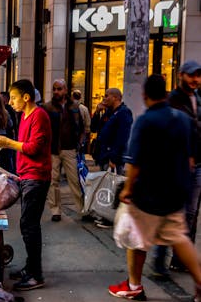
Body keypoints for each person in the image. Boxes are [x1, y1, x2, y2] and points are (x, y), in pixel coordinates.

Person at [108, 74, 201, 301]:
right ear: (166, 94)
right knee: (179, 237)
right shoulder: (182, 118)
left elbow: (134, 162)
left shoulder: (145, 120)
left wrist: (128, 189)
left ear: (145, 95)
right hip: (177, 192)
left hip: (149, 194)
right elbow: (191, 158)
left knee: (135, 237)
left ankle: (133, 285)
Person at [0, 79, 51, 291]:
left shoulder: (39, 116)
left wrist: (6, 142)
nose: (11, 102)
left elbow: (33, 148)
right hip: (26, 175)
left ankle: (36, 275)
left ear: (26, 97)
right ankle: (30, 267)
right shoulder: (23, 115)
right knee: (28, 225)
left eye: (14, 98)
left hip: (37, 177)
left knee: (29, 225)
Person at [153, 60, 201, 275]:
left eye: (199, 76)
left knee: (190, 214)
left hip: (197, 165)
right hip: (175, 166)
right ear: (181, 75)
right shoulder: (171, 101)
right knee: (171, 212)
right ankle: (159, 260)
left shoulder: (199, 99)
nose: (196, 80)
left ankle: (180, 260)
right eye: (192, 75)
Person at [89, 88, 133, 228]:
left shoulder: (124, 113)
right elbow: (94, 128)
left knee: (114, 187)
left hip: (113, 157)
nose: (104, 98)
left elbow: (122, 138)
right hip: (103, 155)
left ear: (115, 97)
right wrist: (97, 112)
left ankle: (112, 217)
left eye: (107, 96)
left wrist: (114, 158)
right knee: (107, 187)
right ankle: (107, 214)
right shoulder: (109, 113)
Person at [43, 79, 85, 222]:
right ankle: (55, 210)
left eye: (59, 89)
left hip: (69, 149)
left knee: (74, 180)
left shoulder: (74, 107)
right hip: (53, 149)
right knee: (53, 181)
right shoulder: (47, 107)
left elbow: (82, 127)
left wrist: (79, 144)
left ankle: (81, 208)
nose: (56, 91)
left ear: (66, 90)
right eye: (54, 89)